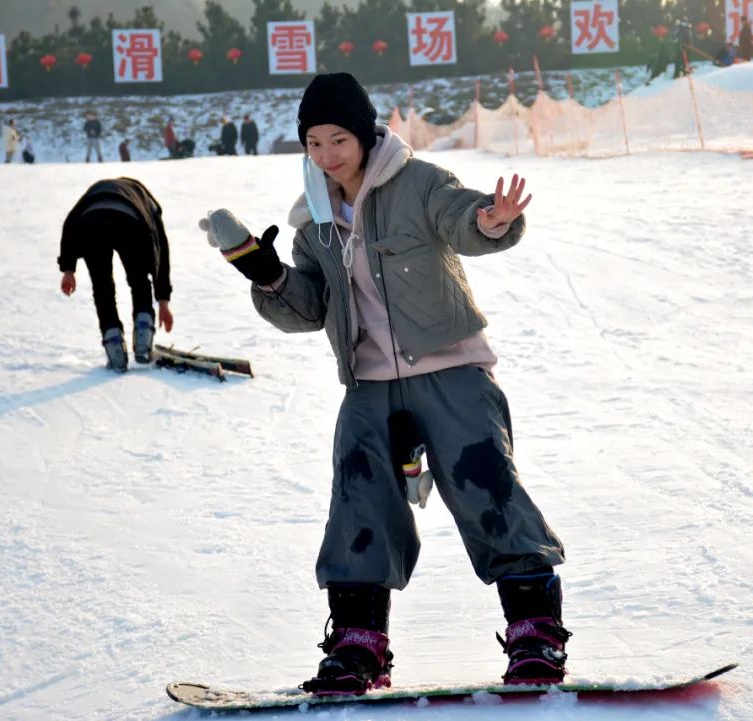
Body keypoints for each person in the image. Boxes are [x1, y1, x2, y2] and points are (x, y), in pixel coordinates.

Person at [199, 72, 566, 695]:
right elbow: (309, 310)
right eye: (313, 143)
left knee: (488, 489)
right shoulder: (314, 221)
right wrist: (267, 275)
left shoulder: (419, 183)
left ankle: (535, 634)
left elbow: (463, 219)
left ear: (365, 135)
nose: (326, 154)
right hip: (368, 381)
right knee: (358, 503)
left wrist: (492, 220)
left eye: (338, 139)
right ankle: (357, 646)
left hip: (450, 368)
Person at [58, 178, 174, 372]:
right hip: (130, 220)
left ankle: (115, 350)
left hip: (91, 220)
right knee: (139, 280)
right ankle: (144, 337)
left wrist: (68, 270)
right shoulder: (148, 205)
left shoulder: (96, 190)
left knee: (102, 287)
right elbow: (161, 253)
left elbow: (71, 222)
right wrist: (163, 301)